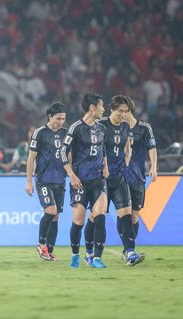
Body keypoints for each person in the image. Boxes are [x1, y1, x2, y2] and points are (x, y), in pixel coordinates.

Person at [85, 95, 144, 266]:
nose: (123, 115)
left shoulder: (126, 126)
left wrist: (125, 163)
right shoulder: (100, 125)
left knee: (126, 214)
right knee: (94, 217)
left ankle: (130, 253)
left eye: (126, 112)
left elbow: (127, 149)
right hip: (100, 179)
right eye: (120, 111)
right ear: (112, 109)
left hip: (119, 178)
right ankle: (89, 252)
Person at [60, 93, 109, 269]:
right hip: (79, 182)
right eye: (102, 106)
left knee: (100, 216)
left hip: (98, 181)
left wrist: (105, 166)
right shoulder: (76, 128)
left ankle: (96, 258)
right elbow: (62, 153)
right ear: (92, 108)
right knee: (78, 222)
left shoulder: (102, 128)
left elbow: (103, 150)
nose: (104, 109)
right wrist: (71, 175)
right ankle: (75, 255)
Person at [25, 103, 67, 262]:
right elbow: (31, 158)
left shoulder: (66, 133)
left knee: (56, 216)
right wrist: (29, 181)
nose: (61, 121)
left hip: (60, 180)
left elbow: (69, 156)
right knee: (50, 211)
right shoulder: (40, 133)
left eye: (63, 118)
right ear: (50, 116)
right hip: (44, 180)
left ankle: (48, 251)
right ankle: (41, 244)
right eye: (58, 118)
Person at [125, 96, 157, 252]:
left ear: (129, 110)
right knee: (122, 213)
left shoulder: (144, 128)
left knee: (134, 215)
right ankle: (129, 249)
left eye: (124, 110)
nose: (121, 114)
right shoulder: (116, 128)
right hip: (120, 177)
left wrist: (154, 167)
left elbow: (152, 148)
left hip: (137, 177)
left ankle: (129, 246)